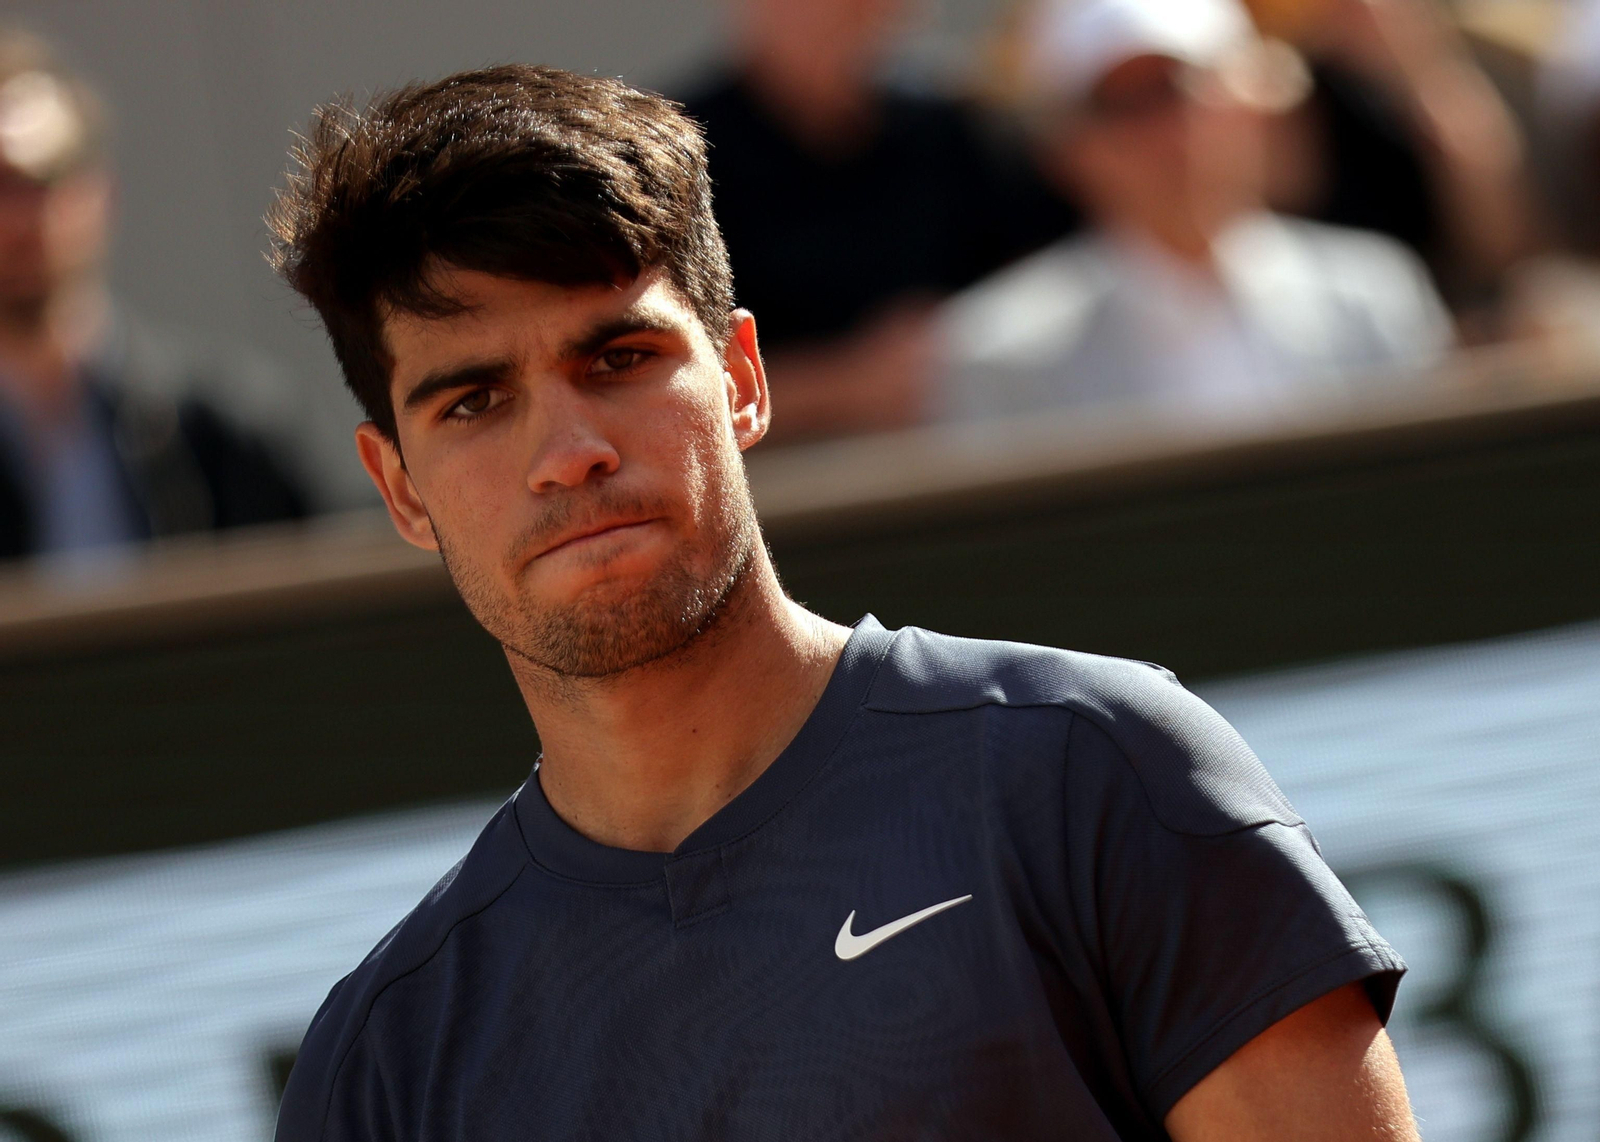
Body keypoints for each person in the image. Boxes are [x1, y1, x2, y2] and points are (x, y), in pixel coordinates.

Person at [267, 64, 1418, 1140]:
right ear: (399, 487)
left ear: (743, 380)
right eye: (473, 401)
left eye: (616, 358)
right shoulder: (386, 1062)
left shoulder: (1098, 776)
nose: (566, 452)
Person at [934, 0, 1454, 430]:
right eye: (1123, 104)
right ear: (1068, 151)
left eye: (1184, 85)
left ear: (1251, 97)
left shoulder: (1376, 295)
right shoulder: (998, 354)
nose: (1169, 132)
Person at [679, 0, 1076, 442]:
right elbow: (665, 384)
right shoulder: (681, 152)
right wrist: (850, 384)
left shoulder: (951, 133)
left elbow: (1062, 279)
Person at [0, 30, 308, 564]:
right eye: (2, 186)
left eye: (46, 178)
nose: (22, 218)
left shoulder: (225, 424)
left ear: (103, 193)